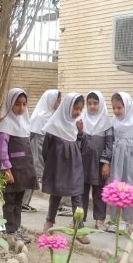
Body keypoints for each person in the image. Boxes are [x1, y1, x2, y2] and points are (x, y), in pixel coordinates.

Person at [0, 88, 38, 244]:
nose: (21, 108)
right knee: (10, 200)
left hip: (24, 169)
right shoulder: (5, 124)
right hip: (12, 170)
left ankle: (16, 228)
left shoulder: (24, 123)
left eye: (24, 104)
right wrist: (6, 169)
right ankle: (10, 230)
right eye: (17, 104)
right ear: (9, 104)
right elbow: (2, 150)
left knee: (19, 200)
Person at [41, 93, 85, 234]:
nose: (77, 112)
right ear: (67, 107)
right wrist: (51, 165)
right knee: (56, 193)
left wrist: (80, 133)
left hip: (74, 166)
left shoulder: (75, 125)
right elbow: (46, 149)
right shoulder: (54, 125)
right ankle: (49, 222)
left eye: (80, 109)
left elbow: (79, 144)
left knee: (77, 193)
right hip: (58, 166)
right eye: (75, 108)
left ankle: (79, 227)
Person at [107, 92, 133, 233]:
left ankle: (128, 220)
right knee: (116, 189)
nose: (116, 111)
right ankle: (115, 220)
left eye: (119, 107)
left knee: (130, 190)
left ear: (128, 106)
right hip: (117, 165)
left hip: (131, 165)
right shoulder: (114, 123)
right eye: (114, 108)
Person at [79, 91, 113, 235]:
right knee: (81, 191)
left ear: (101, 104)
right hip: (83, 162)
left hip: (99, 163)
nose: (92, 106)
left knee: (99, 191)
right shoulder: (81, 120)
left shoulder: (107, 122)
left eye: (95, 103)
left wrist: (106, 163)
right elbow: (77, 141)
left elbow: (110, 144)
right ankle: (79, 219)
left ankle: (100, 220)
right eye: (89, 103)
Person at [23, 89, 61, 212]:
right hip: (37, 148)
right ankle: (23, 202)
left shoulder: (50, 115)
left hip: (45, 149)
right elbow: (34, 137)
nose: (59, 103)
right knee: (34, 173)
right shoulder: (41, 117)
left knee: (37, 174)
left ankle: (24, 202)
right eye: (58, 100)